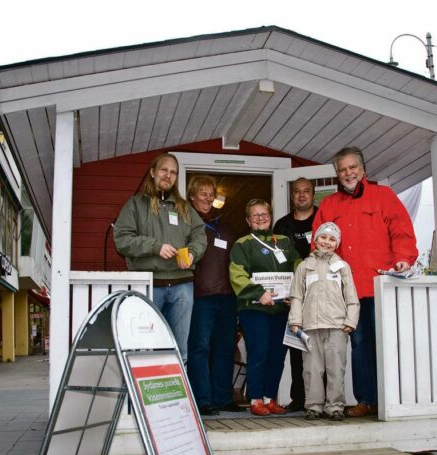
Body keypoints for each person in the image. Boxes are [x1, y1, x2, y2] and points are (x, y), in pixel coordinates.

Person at [312, 147, 417, 418]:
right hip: (348, 292)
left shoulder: (384, 196)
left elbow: (402, 231)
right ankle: (367, 400)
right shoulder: (329, 205)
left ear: (363, 170)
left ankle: (393, 398)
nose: (348, 173)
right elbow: (318, 243)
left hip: (381, 286)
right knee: (359, 346)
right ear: (337, 175)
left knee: (387, 344)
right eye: (342, 170)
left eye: (352, 168)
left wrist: (404, 259)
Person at [113, 153, 207, 364]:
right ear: (153, 172)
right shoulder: (136, 204)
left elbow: (200, 235)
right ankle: (140, 397)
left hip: (183, 286)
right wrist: (155, 247)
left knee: (179, 350)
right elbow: (122, 240)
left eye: (173, 172)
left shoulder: (185, 208)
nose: (168, 175)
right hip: (148, 286)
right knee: (143, 347)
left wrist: (192, 252)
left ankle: (176, 396)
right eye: (164, 170)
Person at [230, 199, 300, 416]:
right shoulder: (243, 244)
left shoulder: (284, 242)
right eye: (255, 215)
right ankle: (256, 399)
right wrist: (258, 293)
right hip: (254, 308)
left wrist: (296, 292)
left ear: (270, 216)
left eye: (264, 214)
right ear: (248, 220)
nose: (260, 218)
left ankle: (270, 398)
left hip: (281, 308)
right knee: (259, 352)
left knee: (277, 354)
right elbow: (237, 274)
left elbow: (297, 266)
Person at [289, 222, 359, 421]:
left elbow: (351, 296)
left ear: (337, 243)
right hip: (310, 326)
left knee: (336, 368)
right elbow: (297, 296)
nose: (327, 242)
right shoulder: (304, 267)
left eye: (332, 239)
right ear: (315, 239)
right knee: (311, 369)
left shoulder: (343, 267)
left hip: (337, 326)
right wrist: (296, 321)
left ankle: (335, 406)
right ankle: (313, 406)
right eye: (323, 237)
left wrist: (351, 320)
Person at [186, 175, 240, 416]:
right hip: (201, 297)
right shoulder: (186, 224)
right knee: (200, 348)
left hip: (227, 298)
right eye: (202, 193)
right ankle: (202, 399)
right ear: (192, 196)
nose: (208, 198)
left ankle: (223, 398)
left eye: (211, 194)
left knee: (225, 348)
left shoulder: (226, 226)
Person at [273, 177, 318, 412]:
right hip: (293, 297)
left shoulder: (322, 220)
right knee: (297, 348)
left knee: (320, 348)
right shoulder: (281, 226)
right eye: (297, 192)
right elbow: (275, 262)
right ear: (292, 196)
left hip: (320, 295)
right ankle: (299, 398)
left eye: (306, 191)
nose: (302, 195)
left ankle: (320, 399)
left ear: (313, 194)